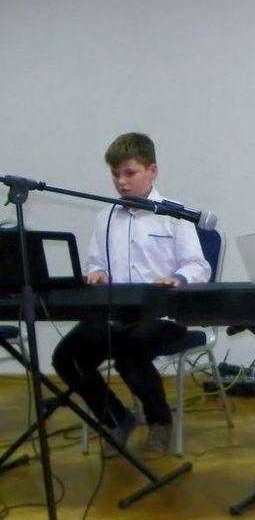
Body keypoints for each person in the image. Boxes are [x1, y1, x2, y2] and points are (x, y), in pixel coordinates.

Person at [53, 133, 210, 457]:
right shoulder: (106, 217)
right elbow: (95, 261)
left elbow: (198, 265)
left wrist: (178, 278)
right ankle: (117, 417)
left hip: (163, 316)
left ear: (152, 171)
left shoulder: (175, 215)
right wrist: (97, 273)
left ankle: (160, 422)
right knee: (67, 357)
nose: (121, 182)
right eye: (115, 174)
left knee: (131, 352)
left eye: (129, 173)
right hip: (115, 314)